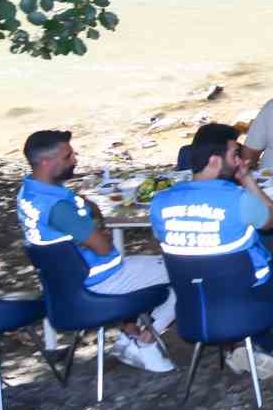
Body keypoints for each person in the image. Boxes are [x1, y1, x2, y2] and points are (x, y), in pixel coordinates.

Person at [149, 123, 273, 379]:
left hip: (194, 297)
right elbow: (270, 220)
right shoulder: (236, 199)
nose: (240, 159)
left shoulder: (159, 202)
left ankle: (240, 344)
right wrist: (247, 178)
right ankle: (256, 343)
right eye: (234, 154)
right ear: (216, 161)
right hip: (244, 289)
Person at [16, 130, 175, 373]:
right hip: (100, 280)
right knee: (183, 272)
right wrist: (94, 228)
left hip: (67, 283)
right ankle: (146, 342)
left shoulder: (31, 193)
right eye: (68, 156)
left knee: (148, 266)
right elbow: (103, 246)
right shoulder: (59, 208)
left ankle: (129, 334)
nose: (75, 159)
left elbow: (81, 210)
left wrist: (88, 215)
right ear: (47, 162)